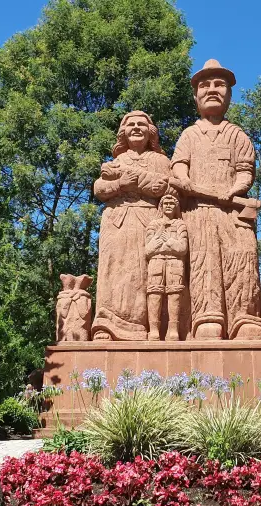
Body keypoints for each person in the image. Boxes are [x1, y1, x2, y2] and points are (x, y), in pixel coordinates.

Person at [170, 59, 261, 340]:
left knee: (243, 260)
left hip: (233, 212)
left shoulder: (237, 135)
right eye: (205, 85)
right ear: (195, 95)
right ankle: (206, 318)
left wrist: (235, 190)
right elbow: (178, 165)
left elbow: (245, 171)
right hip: (198, 212)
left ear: (229, 94)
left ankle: (245, 318)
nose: (212, 89)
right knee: (204, 262)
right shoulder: (189, 135)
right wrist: (183, 177)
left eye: (219, 84)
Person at [92, 110, 170, 340]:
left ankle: (147, 327)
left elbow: (163, 187)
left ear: (150, 132)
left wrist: (133, 181)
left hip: (148, 221)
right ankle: (107, 326)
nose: (136, 128)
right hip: (116, 221)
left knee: (145, 274)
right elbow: (99, 189)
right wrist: (120, 184)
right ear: (123, 133)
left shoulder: (161, 161)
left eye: (141, 124)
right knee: (113, 271)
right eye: (131, 125)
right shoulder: (117, 161)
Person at [145, 191, 188, 341]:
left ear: (176, 207)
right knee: (154, 292)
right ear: (161, 207)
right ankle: (154, 329)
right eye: (166, 204)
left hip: (175, 262)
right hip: (156, 261)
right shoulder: (153, 225)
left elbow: (183, 249)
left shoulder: (180, 224)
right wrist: (158, 240)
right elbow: (148, 250)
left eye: (172, 204)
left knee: (174, 293)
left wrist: (169, 241)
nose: (169, 206)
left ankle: (173, 329)